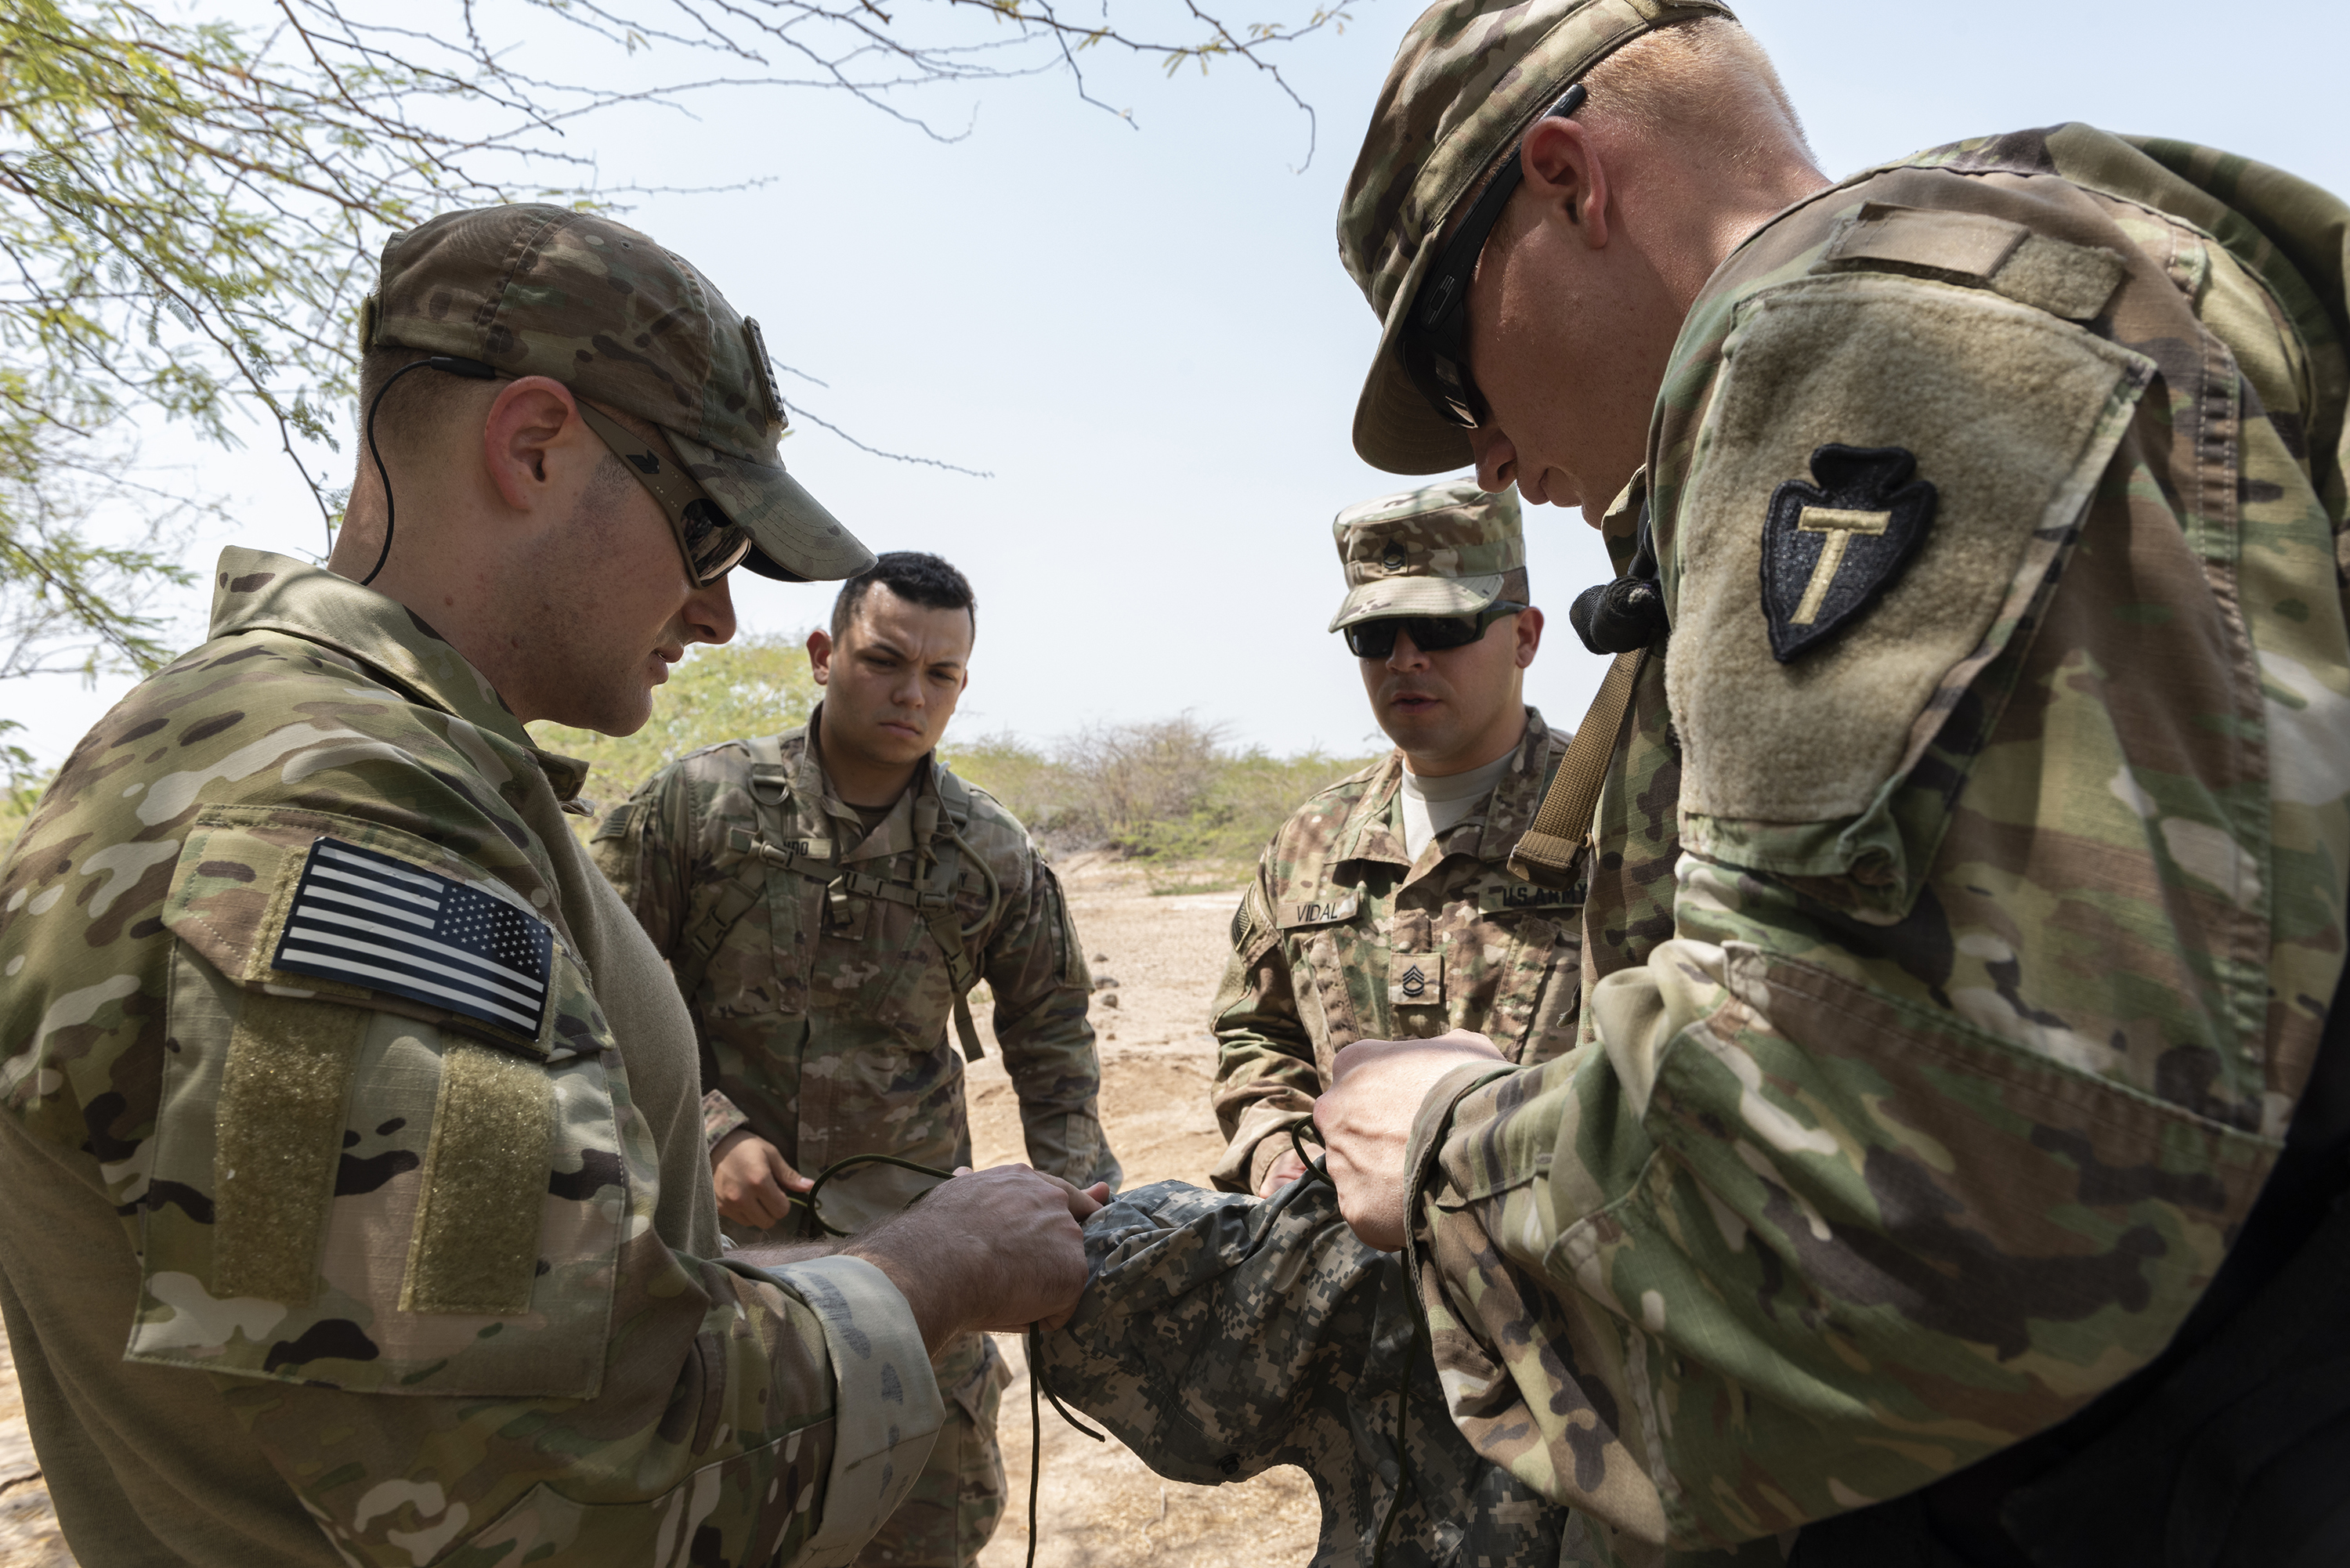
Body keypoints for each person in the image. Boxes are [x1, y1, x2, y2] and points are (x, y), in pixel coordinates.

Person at [1305, 2, 2350, 1564]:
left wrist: (1451, 1140)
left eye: (1461, 378)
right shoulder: (2058, 284)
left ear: (1570, 178)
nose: (1492, 462)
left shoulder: (1865, 336)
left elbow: (1907, 1183)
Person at [0, 204, 1102, 1568]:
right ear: (532, 446)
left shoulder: (339, 761)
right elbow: (578, 1491)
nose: (718, 613)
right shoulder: (339, 817)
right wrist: (929, 1270)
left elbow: (495, 1327)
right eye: (707, 532)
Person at [591, 549, 1120, 1567]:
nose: (912, 693)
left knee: (926, 1525)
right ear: (824, 654)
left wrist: (1085, 1209)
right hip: (717, 1263)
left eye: (942, 674)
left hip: (920, 1266)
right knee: (705, 1517)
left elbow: (1053, 1036)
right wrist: (711, 1129)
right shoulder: (699, 807)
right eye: (885, 660)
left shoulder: (989, 851)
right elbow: (589, 986)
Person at [1209, 479, 1581, 1198]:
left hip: (1548, 1243)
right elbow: (1257, 1034)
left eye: (1442, 628)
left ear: (1525, 637)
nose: (1404, 659)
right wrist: (1277, 1149)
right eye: (1375, 636)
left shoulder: (1615, 820)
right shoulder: (1309, 843)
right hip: (1342, 1242)